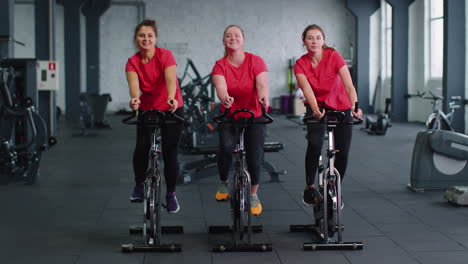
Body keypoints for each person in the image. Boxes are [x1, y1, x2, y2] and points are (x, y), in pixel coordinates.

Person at [294, 24, 363, 206]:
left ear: (323, 40)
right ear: (304, 42)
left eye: (318, 37)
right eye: (310, 38)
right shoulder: (301, 64)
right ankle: (309, 186)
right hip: (316, 105)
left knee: (343, 151)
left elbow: (349, 85)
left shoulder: (333, 56)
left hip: (341, 104)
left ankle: (334, 187)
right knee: (315, 143)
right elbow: (307, 89)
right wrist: (316, 109)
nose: (314, 41)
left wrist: (355, 106)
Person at [125, 19, 184, 213]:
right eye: (142, 35)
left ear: (155, 38)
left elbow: (170, 80)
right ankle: (139, 185)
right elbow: (134, 87)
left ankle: (171, 195)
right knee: (142, 146)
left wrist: (170, 98)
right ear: (136, 39)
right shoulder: (132, 62)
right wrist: (134, 100)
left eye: (150, 35)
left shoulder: (165, 55)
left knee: (170, 151)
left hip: (171, 107)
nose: (146, 39)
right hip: (148, 108)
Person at [211, 25, 270, 215]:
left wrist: (263, 96)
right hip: (231, 115)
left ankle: (253, 194)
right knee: (226, 147)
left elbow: (262, 84)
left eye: (236, 35)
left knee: (255, 157)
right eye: (228, 36)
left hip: (254, 116)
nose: (233, 38)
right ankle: (223, 183)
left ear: (243, 40)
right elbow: (220, 85)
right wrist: (224, 97)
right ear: (224, 41)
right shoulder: (220, 65)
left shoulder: (255, 61)